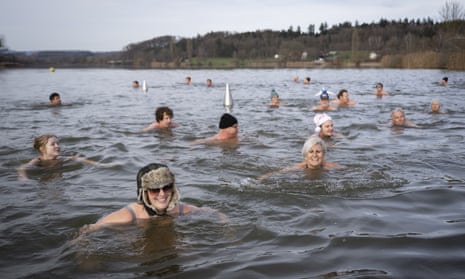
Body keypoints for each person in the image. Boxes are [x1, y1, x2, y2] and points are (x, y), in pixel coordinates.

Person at [79, 163, 205, 233]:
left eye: (166, 187)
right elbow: (85, 231)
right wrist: (85, 257)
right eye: (155, 189)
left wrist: (225, 224)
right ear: (144, 192)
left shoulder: (178, 209)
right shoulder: (129, 215)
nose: (162, 194)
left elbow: (211, 212)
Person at [17, 134, 104, 180]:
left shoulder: (60, 158)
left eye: (58, 143)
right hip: (45, 177)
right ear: (42, 149)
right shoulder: (38, 160)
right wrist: (23, 177)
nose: (57, 146)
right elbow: (23, 168)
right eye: (53, 144)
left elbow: (77, 159)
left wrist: (98, 164)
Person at [258, 136, 342, 180]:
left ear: (323, 154)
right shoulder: (300, 167)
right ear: (305, 155)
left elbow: (348, 170)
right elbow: (281, 172)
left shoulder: (330, 167)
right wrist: (265, 177)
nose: (315, 155)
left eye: (318, 152)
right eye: (311, 152)